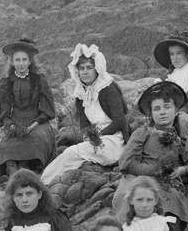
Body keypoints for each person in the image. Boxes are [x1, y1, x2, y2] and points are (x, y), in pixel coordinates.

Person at [116, 81, 188, 226]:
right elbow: (126, 163)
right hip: (137, 180)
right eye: (157, 109)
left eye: (167, 107)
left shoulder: (181, 142)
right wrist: (157, 171)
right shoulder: (143, 132)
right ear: (151, 114)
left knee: (168, 222)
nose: (162, 112)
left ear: (176, 111)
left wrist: (183, 170)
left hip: (166, 187)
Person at [41, 44, 129, 185]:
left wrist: (98, 136)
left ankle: (45, 183)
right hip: (96, 138)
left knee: (71, 153)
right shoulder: (82, 92)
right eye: (81, 69)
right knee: (69, 153)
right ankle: (45, 181)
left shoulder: (108, 89)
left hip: (113, 140)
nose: (85, 72)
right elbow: (84, 122)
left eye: (89, 68)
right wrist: (88, 134)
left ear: (97, 69)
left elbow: (119, 121)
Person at [0, 38, 57, 177]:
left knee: (37, 139)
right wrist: (11, 126)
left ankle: (27, 168)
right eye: (17, 60)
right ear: (12, 62)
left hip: (37, 122)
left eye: (24, 60)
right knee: (5, 143)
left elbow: (47, 108)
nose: (21, 64)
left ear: (29, 61)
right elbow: (4, 112)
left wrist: (34, 125)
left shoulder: (39, 80)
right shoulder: (6, 82)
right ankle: (11, 169)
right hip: (15, 123)